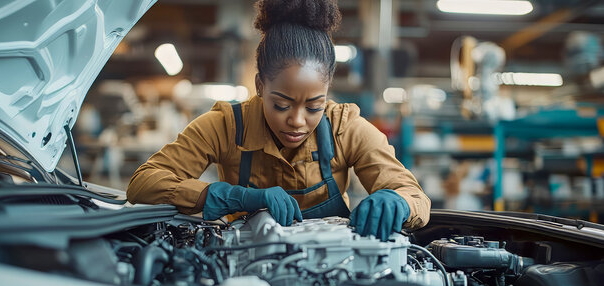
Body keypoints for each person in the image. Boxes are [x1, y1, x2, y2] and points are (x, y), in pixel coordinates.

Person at [127, 0, 430, 240]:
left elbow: (415, 196)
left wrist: (398, 202)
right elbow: (144, 184)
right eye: (281, 104)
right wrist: (237, 196)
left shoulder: (345, 128)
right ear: (260, 86)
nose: (297, 121)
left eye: (314, 106)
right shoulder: (224, 126)